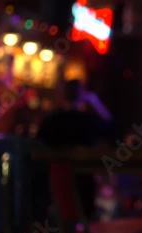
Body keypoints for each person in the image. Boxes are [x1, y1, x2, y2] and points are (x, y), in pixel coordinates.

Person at [36, 79, 113, 222]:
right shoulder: (88, 120)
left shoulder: (52, 120)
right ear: (82, 96)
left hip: (55, 189)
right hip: (84, 190)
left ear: (62, 95)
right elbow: (112, 130)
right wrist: (95, 103)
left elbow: (37, 146)